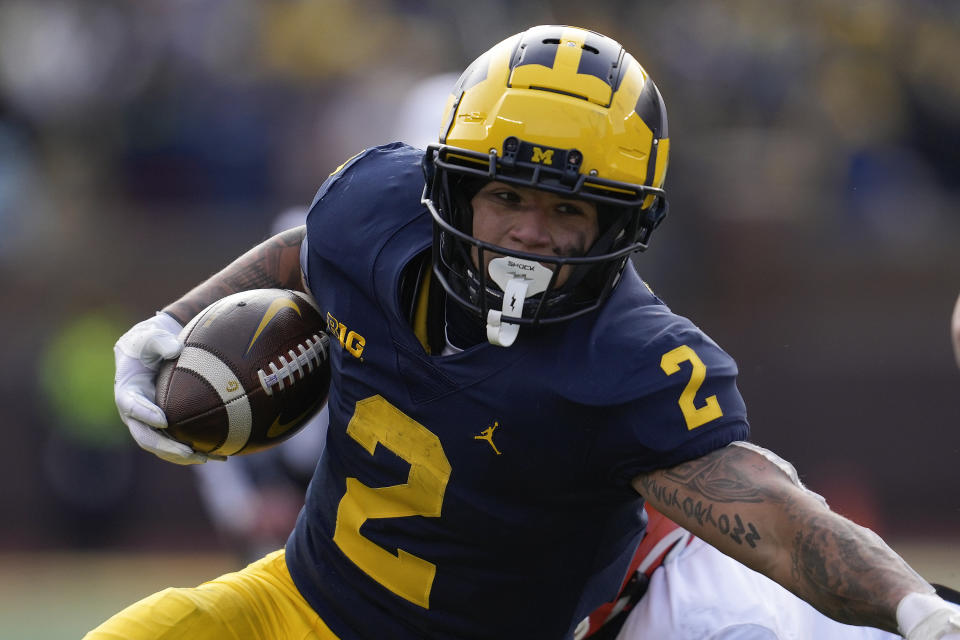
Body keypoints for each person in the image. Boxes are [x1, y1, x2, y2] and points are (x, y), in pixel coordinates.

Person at [98, 25, 960, 640]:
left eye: (566, 208)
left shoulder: (627, 359)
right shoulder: (376, 212)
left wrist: (910, 605)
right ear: (452, 186)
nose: (529, 233)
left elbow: (773, 518)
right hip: (303, 605)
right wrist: (174, 320)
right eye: (508, 195)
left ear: (619, 226)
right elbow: (305, 252)